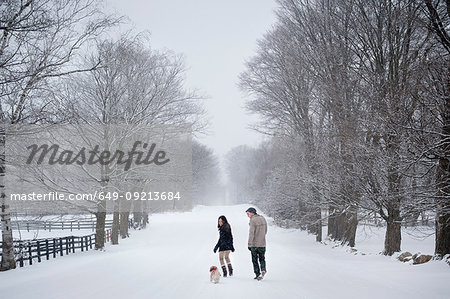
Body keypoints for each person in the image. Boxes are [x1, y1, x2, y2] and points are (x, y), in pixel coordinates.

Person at [246, 207, 267, 280]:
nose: (247, 215)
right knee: (262, 258)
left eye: (248, 213)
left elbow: (251, 233)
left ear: (252, 213)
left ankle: (257, 274)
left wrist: (249, 244)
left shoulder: (253, 220)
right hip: (262, 243)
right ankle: (263, 269)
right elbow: (265, 230)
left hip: (254, 244)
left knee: (254, 260)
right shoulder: (263, 218)